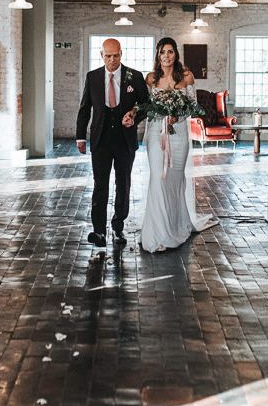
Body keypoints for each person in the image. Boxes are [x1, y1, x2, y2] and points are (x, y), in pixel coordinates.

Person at [140, 37, 219, 252]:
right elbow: (146, 107)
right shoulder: (150, 79)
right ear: (158, 55)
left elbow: (193, 105)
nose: (166, 56)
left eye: (170, 52)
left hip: (179, 135)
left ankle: (175, 225)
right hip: (157, 133)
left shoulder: (186, 76)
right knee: (158, 178)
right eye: (163, 52)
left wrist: (177, 116)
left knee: (174, 180)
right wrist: (159, 114)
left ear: (176, 54)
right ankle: (157, 232)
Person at [76, 38, 149, 247]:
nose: (112, 60)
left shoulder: (134, 76)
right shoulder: (93, 77)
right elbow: (84, 108)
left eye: (116, 55)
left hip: (125, 139)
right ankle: (99, 231)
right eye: (108, 56)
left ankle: (118, 227)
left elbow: (145, 104)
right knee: (100, 185)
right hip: (100, 138)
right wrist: (81, 136)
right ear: (101, 55)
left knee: (123, 183)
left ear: (121, 54)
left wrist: (135, 115)